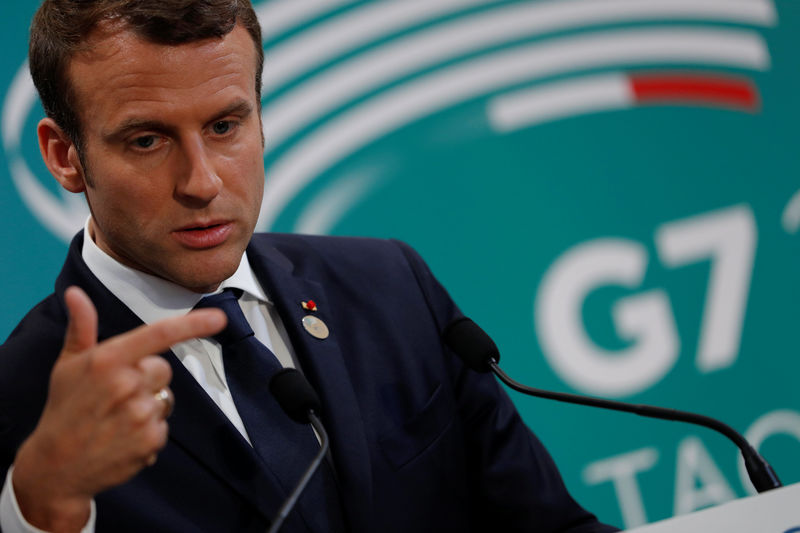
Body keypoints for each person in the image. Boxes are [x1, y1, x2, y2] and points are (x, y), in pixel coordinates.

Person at [0, 1, 619, 532]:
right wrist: (43, 506)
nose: (203, 181)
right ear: (64, 156)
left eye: (224, 125)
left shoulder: (390, 286)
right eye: (146, 140)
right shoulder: (25, 402)